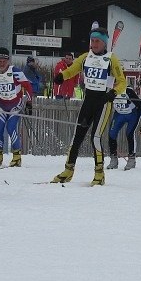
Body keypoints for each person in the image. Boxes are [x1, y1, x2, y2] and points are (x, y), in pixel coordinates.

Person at [51, 26, 126, 185]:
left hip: (103, 103)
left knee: (95, 138)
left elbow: (122, 82)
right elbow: (72, 70)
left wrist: (113, 92)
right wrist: (61, 76)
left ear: (104, 43)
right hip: (88, 101)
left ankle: (99, 174)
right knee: (77, 136)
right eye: (92, 40)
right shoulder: (86, 57)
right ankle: (68, 170)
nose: (94, 44)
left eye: (97, 41)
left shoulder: (111, 59)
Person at [0, 47, 34, 168]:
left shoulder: (16, 72)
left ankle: (17, 157)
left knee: (11, 128)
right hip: (2, 106)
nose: (2, 63)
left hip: (15, 106)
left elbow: (28, 86)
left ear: (8, 61)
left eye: (4, 61)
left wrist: (29, 103)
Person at [107, 87, 141, 171]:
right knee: (112, 134)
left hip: (132, 114)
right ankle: (113, 159)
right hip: (119, 115)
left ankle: (131, 159)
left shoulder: (128, 91)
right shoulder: (108, 91)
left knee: (129, 134)